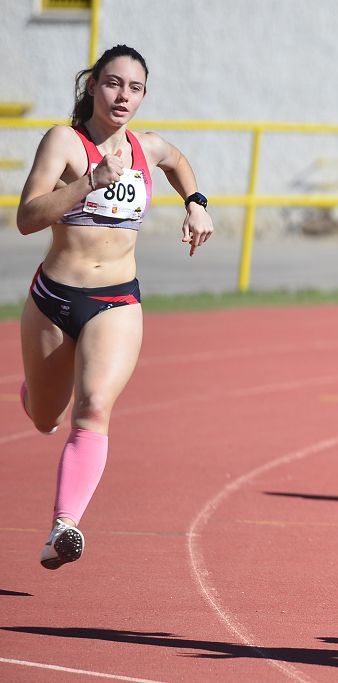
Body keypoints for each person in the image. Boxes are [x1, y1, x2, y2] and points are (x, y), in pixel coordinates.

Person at [16, 45, 213, 569]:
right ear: (92, 86)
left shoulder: (147, 147)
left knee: (95, 406)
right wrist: (88, 184)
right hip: (55, 298)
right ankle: (35, 396)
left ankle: (63, 528)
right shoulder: (64, 142)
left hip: (117, 301)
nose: (123, 95)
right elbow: (28, 216)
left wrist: (196, 204)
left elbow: (178, 161)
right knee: (43, 417)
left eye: (135, 87)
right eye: (113, 83)